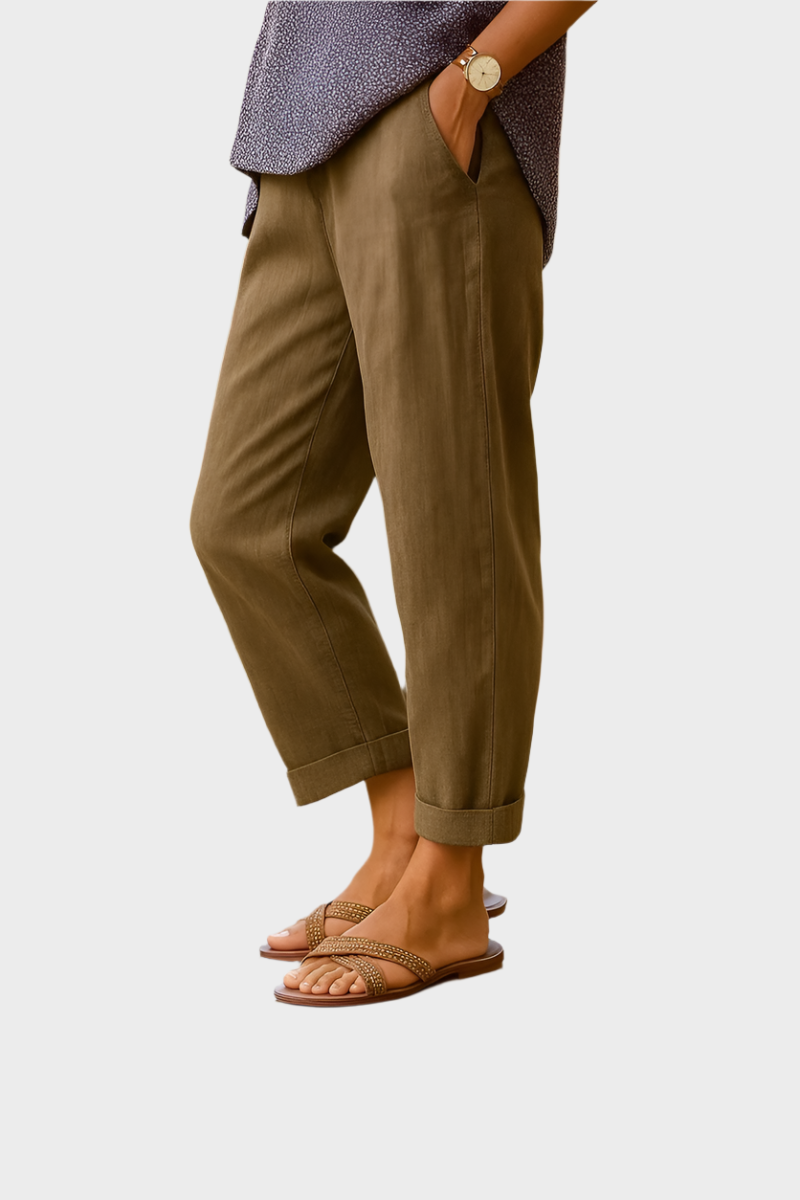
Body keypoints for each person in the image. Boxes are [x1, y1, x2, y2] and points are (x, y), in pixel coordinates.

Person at [190, 1, 595, 1006]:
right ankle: (403, 831)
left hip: (437, 114)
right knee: (247, 523)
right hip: (298, 137)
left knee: (451, 522)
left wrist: (475, 81)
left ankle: (450, 885)